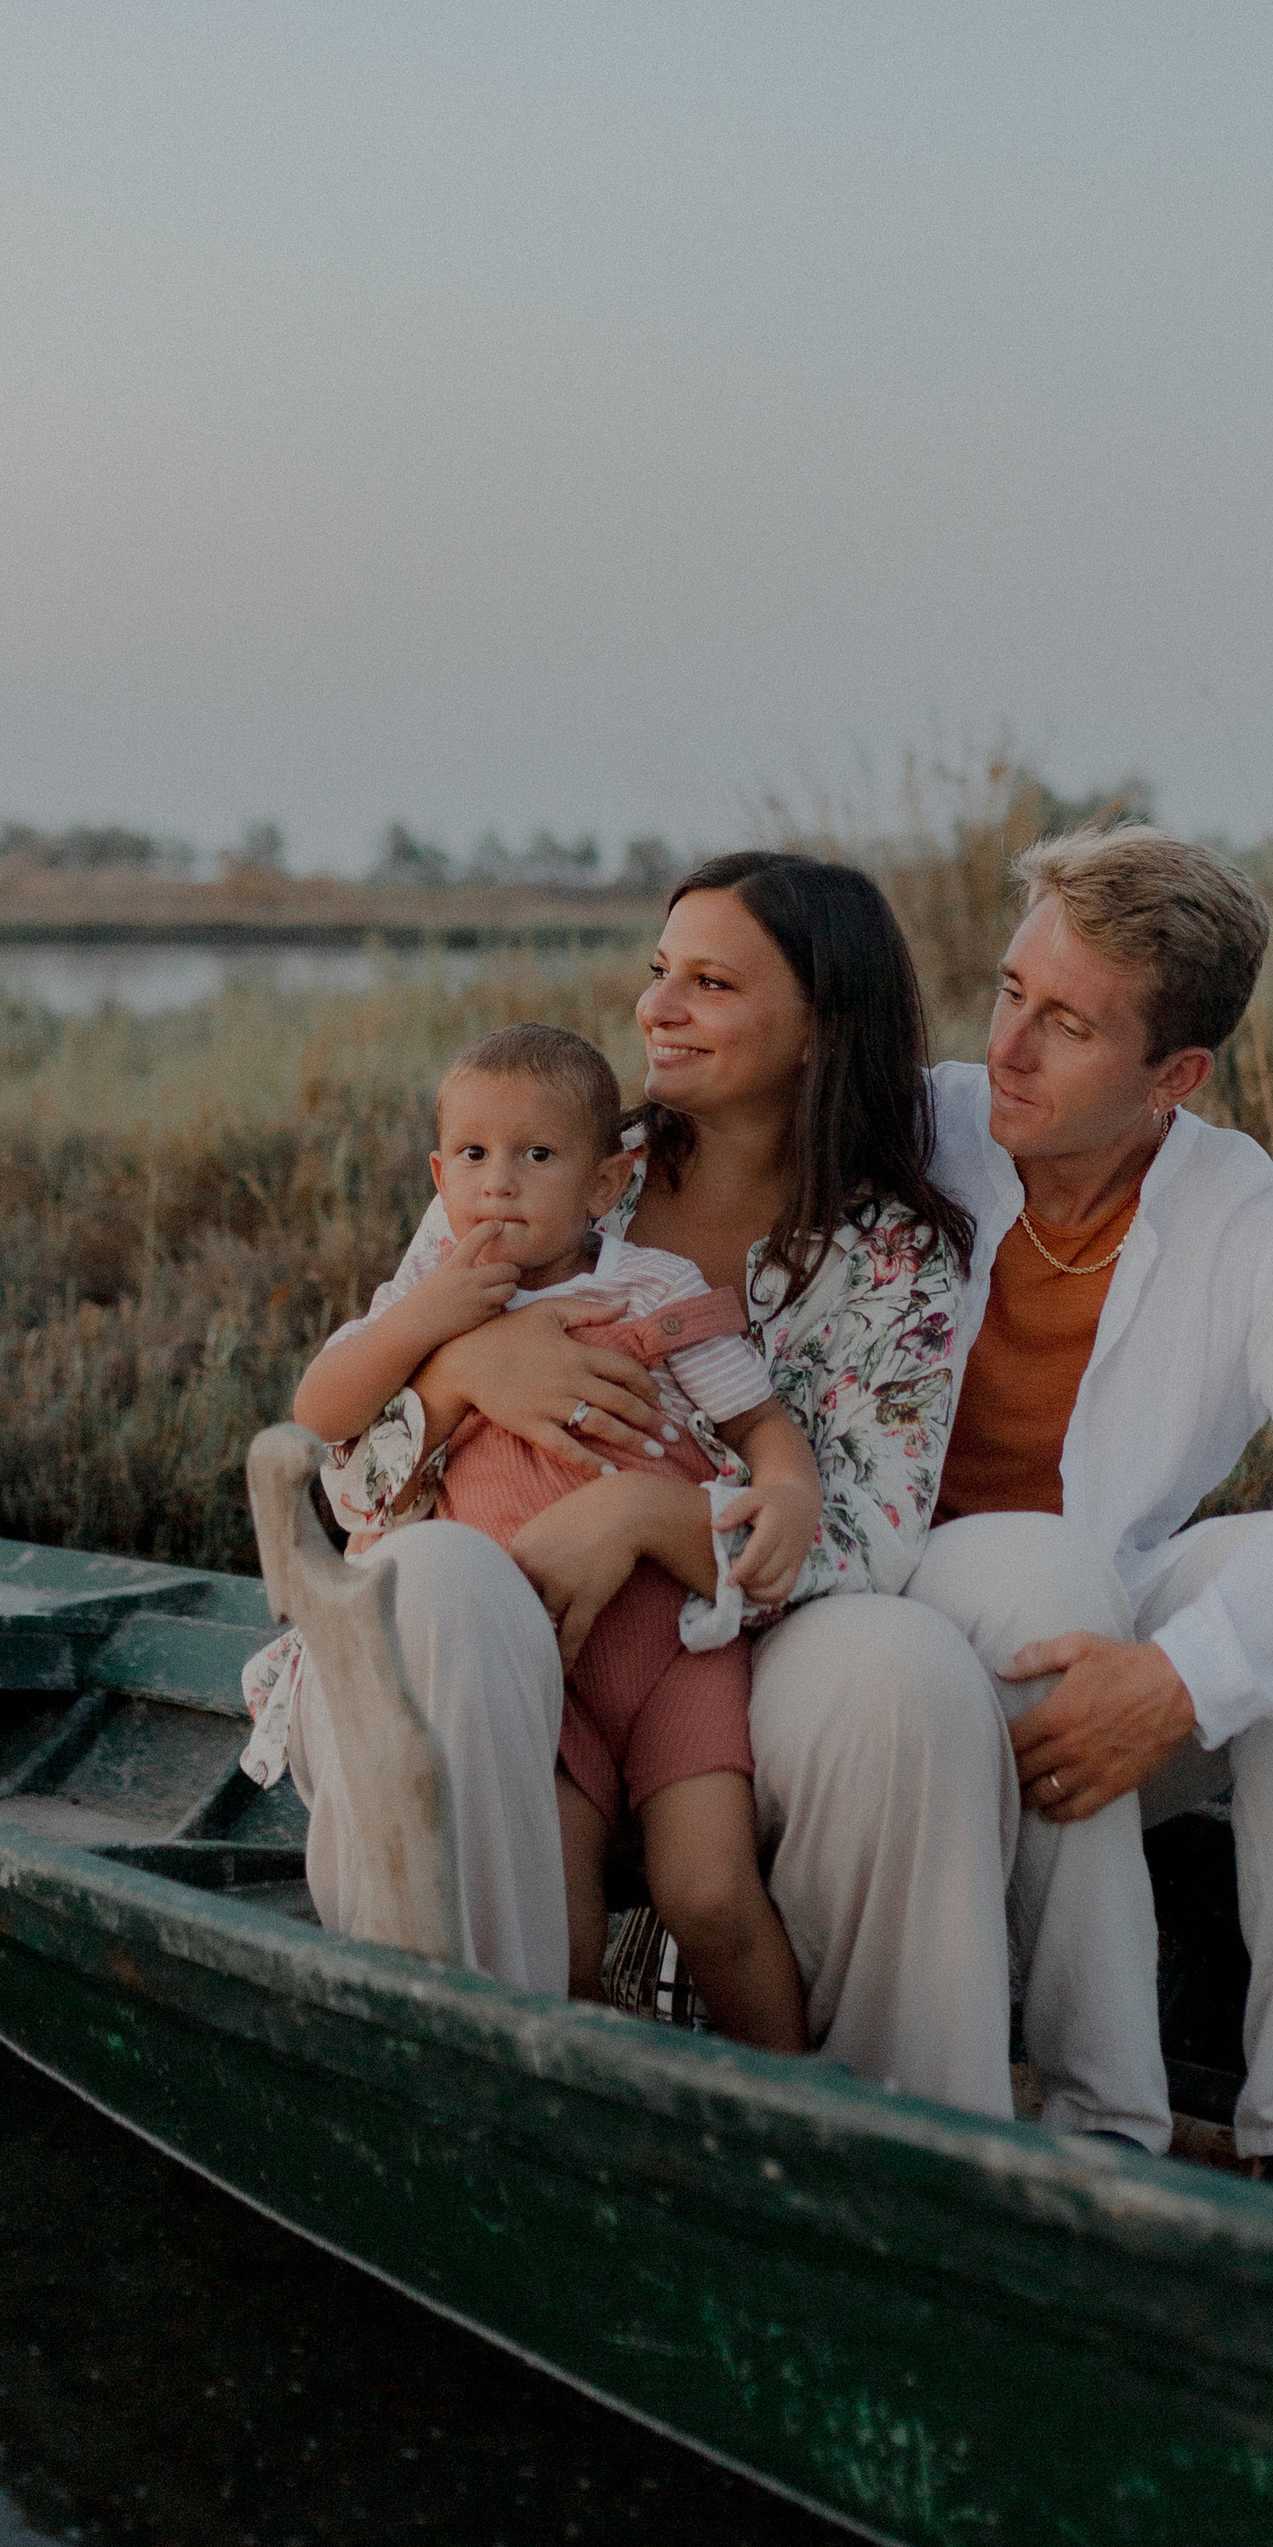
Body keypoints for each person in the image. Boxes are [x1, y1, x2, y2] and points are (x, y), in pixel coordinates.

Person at [274, 855, 1025, 2115]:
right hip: (487, 1638)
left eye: (712, 982)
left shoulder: (892, 1252)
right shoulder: (535, 1167)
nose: (656, 1009)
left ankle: (879, 2138)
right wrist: (461, 1374)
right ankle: (477, 2099)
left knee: (910, 1667)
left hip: (701, 1650)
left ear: (820, 1028)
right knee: (441, 1577)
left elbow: (869, 1539)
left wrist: (650, 1517)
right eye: (658, 971)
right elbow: (348, 1492)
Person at [911, 826, 1273, 2202]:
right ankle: (1109, 2126)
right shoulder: (908, 1129)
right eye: (1010, 994)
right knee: (1043, 1577)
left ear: (1176, 1075)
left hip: (1085, 1669)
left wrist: (1180, 1681)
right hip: (890, 1671)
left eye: (1071, 1026)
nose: (1012, 1048)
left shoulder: (1258, 1216)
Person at [273, 1022, 820, 2048]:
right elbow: (321, 1412)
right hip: (533, 1670)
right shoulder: (425, 1305)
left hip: (673, 1652)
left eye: (536, 1157)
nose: (500, 1185)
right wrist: (421, 1326)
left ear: (605, 1183)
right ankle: (584, 2119)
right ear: (439, 1175)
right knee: (557, 1932)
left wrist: (787, 1488)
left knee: (710, 1897)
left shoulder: (648, 1288)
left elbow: (757, 1422)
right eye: (472, 1157)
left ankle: (799, 2113)